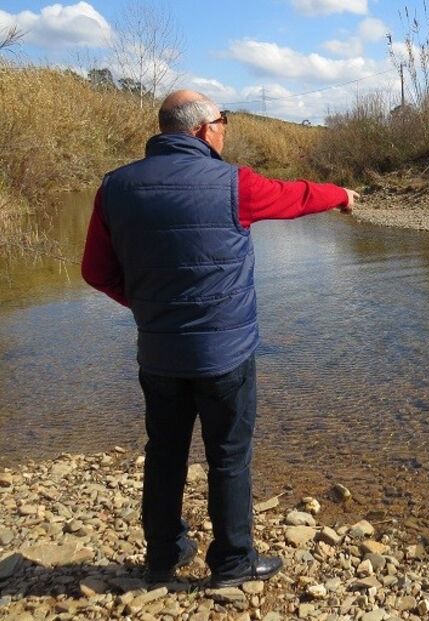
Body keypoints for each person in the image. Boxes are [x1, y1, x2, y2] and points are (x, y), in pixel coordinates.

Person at [81, 90, 357, 587]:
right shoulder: (234, 183)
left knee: (164, 452)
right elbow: (294, 196)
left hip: (159, 353)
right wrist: (340, 194)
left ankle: (164, 556)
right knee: (228, 455)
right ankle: (232, 561)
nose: (225, 129)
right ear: (204, 129)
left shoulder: (114, 188)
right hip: (225, 356)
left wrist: (149, 307)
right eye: (223, 121)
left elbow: (95, 271)